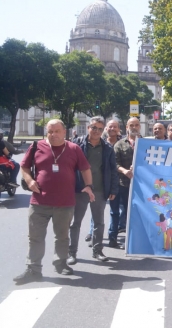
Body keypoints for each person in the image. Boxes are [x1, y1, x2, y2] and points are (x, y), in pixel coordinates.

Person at [14, 119, 94, 284]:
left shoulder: (73, 148)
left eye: (57, 131)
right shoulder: (36, 147)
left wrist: (88, 186)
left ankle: (61, 264)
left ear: (64, 132)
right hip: (39, 202)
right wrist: (29, 181)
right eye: (50, 131)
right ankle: (33, 269)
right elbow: (24, 166)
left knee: (62, 237)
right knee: (35, 237)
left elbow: (85, 168)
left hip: (64, 203)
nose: (53, 134)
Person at [68, 117, 118, 265]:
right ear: (88, 127)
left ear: (103, 131)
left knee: (99, 222)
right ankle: (72, 253)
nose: (96, 131)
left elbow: (113, 170)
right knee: (75, 222)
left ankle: (97, 251)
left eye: (100, 129)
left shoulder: (107, 148)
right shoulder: (76, 145)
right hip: (80, 189)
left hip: (100, 190)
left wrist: (113, 189)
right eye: (94, 127)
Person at [110, 117, 140, 249]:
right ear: (127, 127)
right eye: (131, 125)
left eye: (136, 125)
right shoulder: (119, 144)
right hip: (123, 184)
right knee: (117, 213)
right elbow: (114, 163)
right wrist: (125, 171)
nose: (134, 127)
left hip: (141, 186)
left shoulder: (146, 143)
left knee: (137, 214)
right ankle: (113, 238)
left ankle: (134, 241)